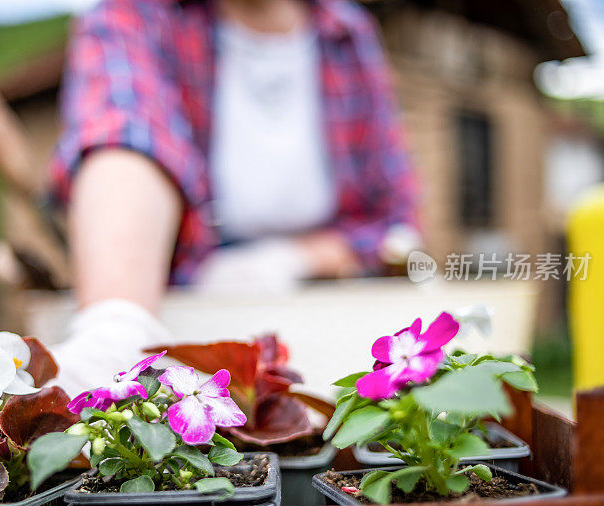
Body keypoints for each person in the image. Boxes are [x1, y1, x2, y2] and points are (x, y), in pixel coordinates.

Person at [48, 0, 419, 397]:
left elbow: (397, 223)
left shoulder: (347, 31)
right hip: (179, 304)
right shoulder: (135, 15)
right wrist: (115, 328)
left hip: (324, 311)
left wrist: (295, 259)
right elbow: (125, 130)